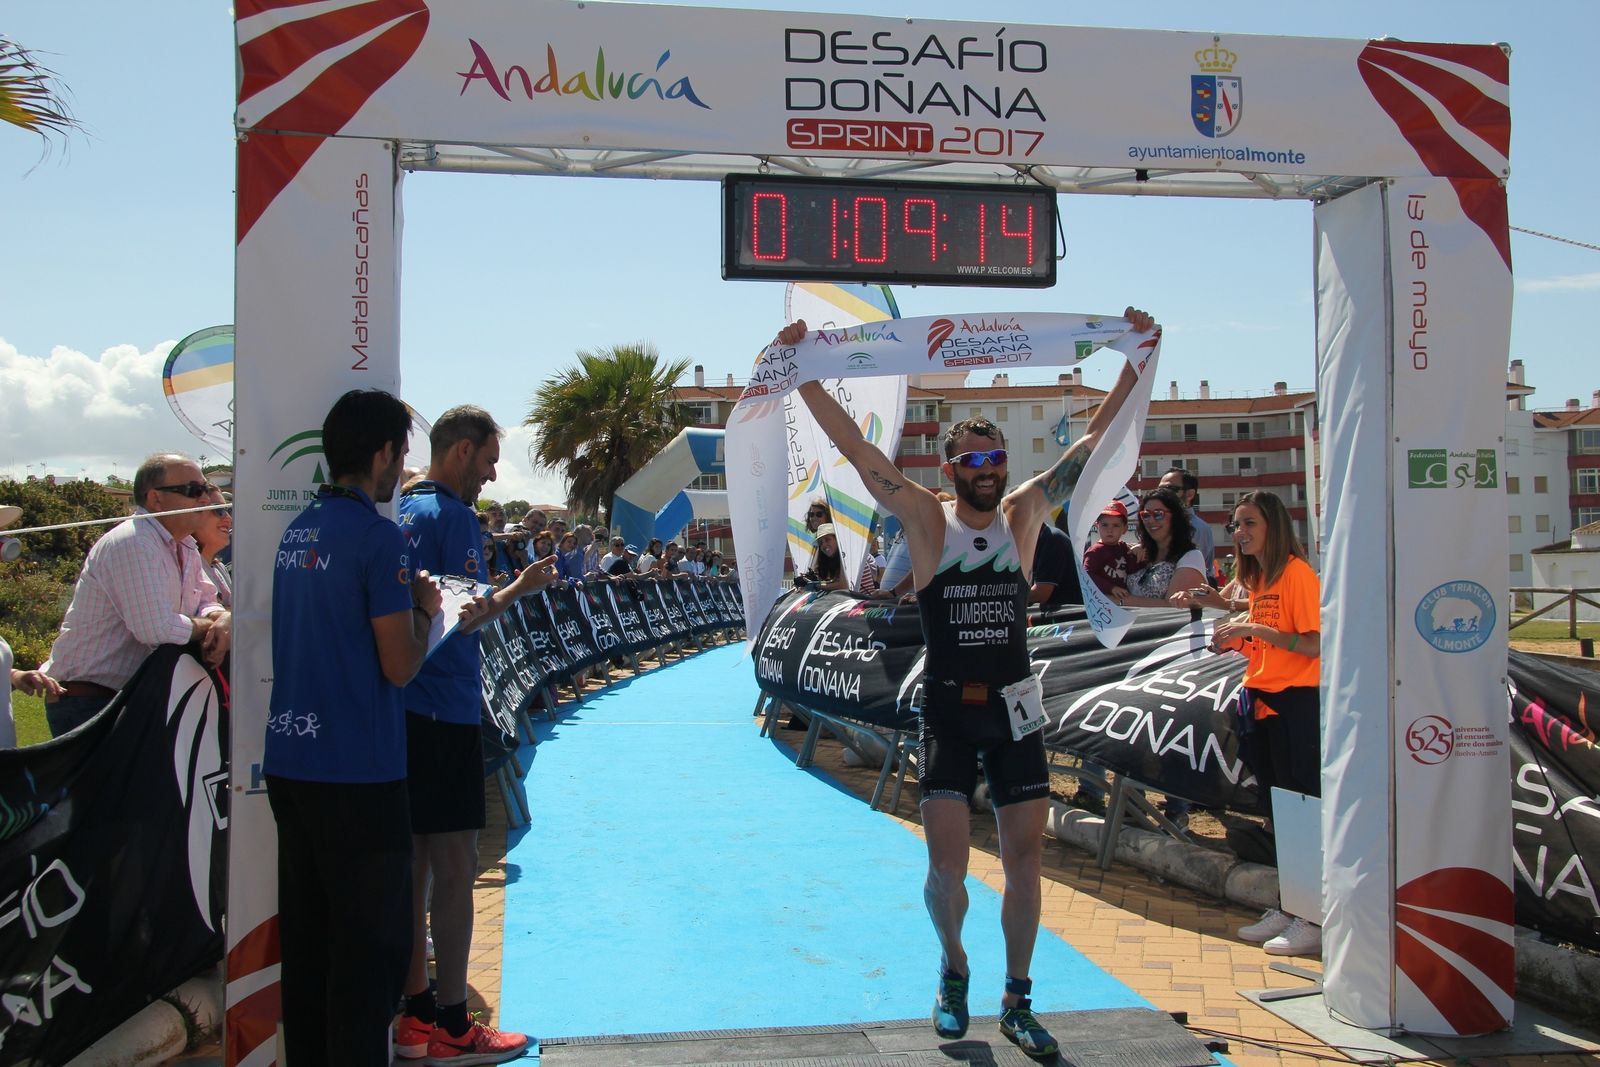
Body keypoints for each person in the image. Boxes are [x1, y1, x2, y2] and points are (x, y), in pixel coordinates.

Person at [788, 305, 1157, 1060]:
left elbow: (1092, 443)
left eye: (995, 459)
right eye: (972, 461)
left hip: (1017, 714)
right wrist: (804, 375)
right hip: (950, 715)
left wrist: (1134, 364)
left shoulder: (1025, 514)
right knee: (946, 871)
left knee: (1026, 861)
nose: (987, 470)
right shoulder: (927, 520)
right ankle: (954, 965)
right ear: (951, 468)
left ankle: (1017, 998)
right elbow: (858, 451)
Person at [264, 389, 446, 1067]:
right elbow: (399, 665)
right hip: (358, 774)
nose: (401, 468)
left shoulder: (297, 530)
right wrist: (425, 610)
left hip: (290, 763)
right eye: (401, 453)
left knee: (309, 951)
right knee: (369, 960)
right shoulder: (378, 537)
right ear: (383, 453)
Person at [396, 405, 557, 1065]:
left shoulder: (401, 510)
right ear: (461, 450)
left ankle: (414, 1018)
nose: (492, 476)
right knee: (456, 865)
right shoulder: (452, 516)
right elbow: (469, 614)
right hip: (444, 708)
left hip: (403, 709)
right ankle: (454, 1024)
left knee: (414, 866)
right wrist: (521, 585)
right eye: (489, 460)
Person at [1184, 490, 1323, 958]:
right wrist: (1238, 642)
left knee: (1302, 809)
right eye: (1236, 525)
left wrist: (1252, 629)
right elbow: (1268, 648)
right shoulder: (1261, 580)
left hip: (1295, 704)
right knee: (1277, 811)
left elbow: (1313, 644)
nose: (1239, 533)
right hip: (1261, 700)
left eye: (1249, 524)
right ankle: (1291, 904)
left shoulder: (1297, 575)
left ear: (1273, 526)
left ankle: (1313, 916)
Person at [41, 453, 231, 737]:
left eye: (205, 488)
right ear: (156, 499)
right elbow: (156, 629)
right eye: (193, 490)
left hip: (130, 697)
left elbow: (205, 599)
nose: (205, 498)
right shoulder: (134, 541)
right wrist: (213, 626)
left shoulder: (185, 545)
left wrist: (220, 617)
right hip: (90, 701)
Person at [1111, 487, 1206, 608]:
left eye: (1158, 514)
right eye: (1145, 515)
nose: (1151, 520)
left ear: (1175, 516)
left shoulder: (1191, 557)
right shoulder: (1138, 552)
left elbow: (1172, 605)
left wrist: (1117, 601)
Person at [1159, 466, 1215, 580]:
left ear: (1190, 494)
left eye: (1170, 489)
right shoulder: (1158, 523)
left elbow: (1187, 571)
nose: (1162, 494)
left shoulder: (1196, 528)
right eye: (1160, 490)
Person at [1082, 501, 1136, 597]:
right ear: (1097, 526)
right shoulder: (1094, 552)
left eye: (1115, 525)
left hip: (1125, 598)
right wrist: (1111, 588)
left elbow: (1134, 569)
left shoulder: (1124, 548)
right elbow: (1087, 574)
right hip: (1103, 600)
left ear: (1125, 529)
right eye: (1105, 525)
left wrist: (1139, 550)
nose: (1109, 530)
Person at [194, 485, 233, 609]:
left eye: (227, 510)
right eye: (218, 509)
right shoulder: (186, 567)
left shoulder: (219, 567)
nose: (228, 518)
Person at [1027, 522, 1082, 607]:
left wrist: (1009, 597)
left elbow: (1040, 594)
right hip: (1054, 611)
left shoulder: (1053, 539)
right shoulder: (1036, 539)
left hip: (1071, 612)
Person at [802, 523, 848, 591]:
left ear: (837, 539)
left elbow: (844, 585)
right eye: (820, 543)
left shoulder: (847, 557)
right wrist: (814, 582)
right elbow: (829, 582)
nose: (824, 545)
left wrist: (817, 585)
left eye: (827, 539)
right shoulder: (829, 561)